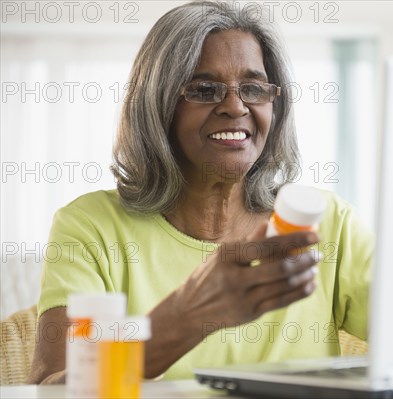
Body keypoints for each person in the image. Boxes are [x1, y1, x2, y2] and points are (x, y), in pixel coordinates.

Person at [29, 0, 373, 384]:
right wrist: (188, 316)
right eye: (204, 89)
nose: (235, 106)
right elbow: (52, 390)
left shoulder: (330, 222)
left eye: (254, 88)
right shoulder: (91, 227)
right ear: (159, 106)